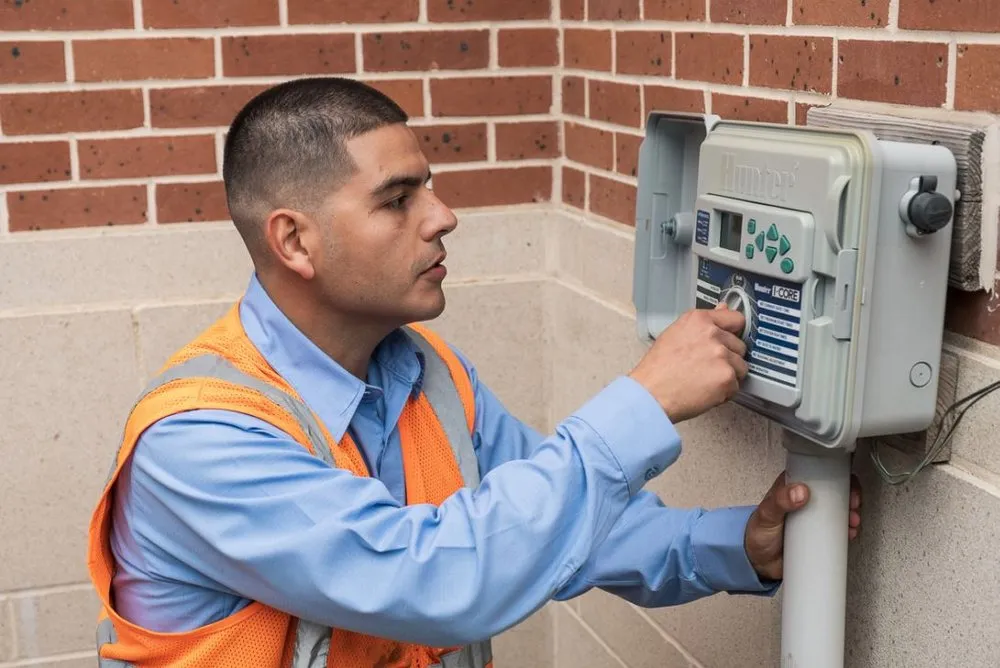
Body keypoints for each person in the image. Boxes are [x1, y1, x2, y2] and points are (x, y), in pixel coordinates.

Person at [86, 77, 862, 668]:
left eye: (428, 186)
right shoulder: (199, 441)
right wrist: (643, 400)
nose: (442, 215)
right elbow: (435, 580)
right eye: (398, 199)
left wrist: (736, 546)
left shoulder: (427, 374)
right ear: (294, 241)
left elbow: (569, 523)